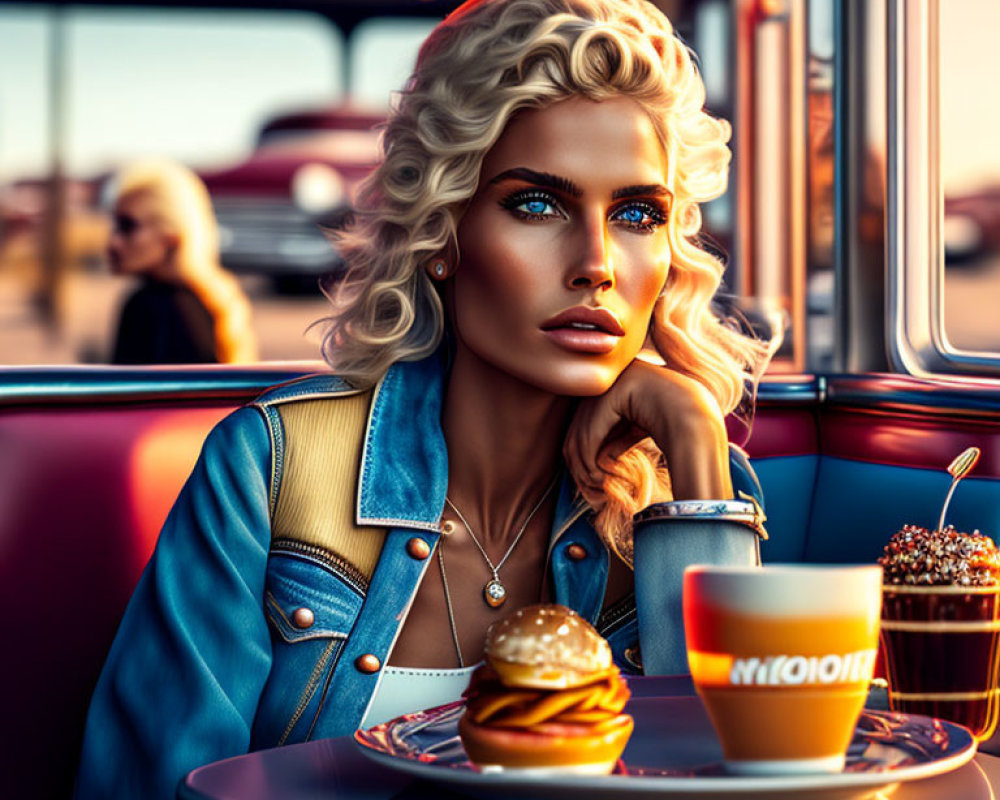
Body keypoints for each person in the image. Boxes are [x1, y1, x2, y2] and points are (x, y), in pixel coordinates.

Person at [75, 1, 770, 797]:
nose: (597, 264)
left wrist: (690, 443)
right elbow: (157, 783)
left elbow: (733, 768)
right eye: (537, 205)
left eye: (638, 214)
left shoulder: (703, 487)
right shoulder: (270, 470)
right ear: (442, 234)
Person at [107, 159, 258, 364]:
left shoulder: (148, 306)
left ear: (172, 235)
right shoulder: (208, 302)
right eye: (116, 225)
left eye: (128, 226)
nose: (113, 242)